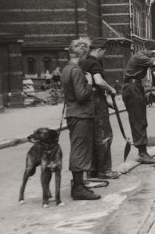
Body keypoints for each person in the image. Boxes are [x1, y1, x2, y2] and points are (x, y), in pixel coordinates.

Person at [61, 37, 100, 200]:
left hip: (74, 114)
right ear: (82, 53)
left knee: (80, 149)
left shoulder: (67, 69)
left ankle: (80, 185)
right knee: (80, 150)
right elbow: (82, 96)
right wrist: (90, 84)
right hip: (80, 115)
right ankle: (78, 188)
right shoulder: (76, 71)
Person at [80, 38, 120, 180]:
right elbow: (98, 81)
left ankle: (93, 170)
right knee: (105, 136)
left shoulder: (84, 62)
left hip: (89, 102)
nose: (105, 55)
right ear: (98, 50)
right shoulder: (94, 62)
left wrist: (108, 102)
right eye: (104, 52)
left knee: (94, 136)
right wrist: (111, 89)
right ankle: (105, 171)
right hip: (96, 102)